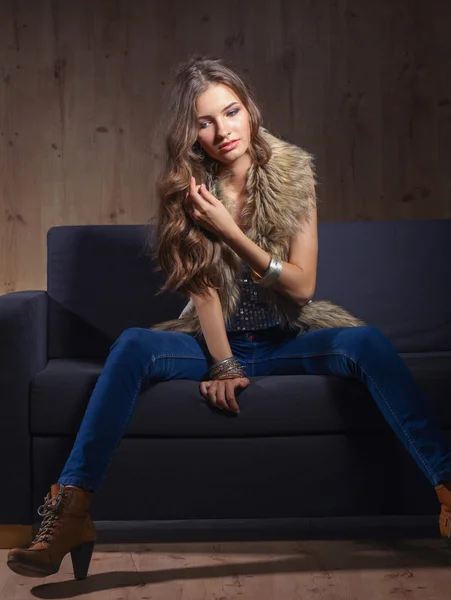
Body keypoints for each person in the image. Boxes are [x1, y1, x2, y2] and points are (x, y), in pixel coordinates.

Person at [7, 54, 451, 580]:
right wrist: (222, 363)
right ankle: (71, 514)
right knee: (131, 344)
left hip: (287, 337)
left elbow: (303, 286)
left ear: (251, 110)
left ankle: (447, 491)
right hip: (208, 341)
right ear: (191, 132)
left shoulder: (293, 176)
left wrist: (232, 232)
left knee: (367, 343)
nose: (223, 131)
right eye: (205, 121)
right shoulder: (186, 189)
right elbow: (204, 288)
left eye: (232, 112)